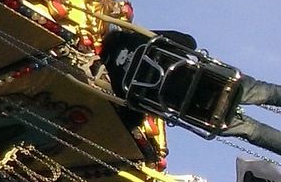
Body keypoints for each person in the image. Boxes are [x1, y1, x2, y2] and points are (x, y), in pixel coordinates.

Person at [101, 27, 281, 155]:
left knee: (254, 131)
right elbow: (188, 41)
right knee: (265, 91)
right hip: (212, 80)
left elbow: (134, 116)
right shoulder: (140, 37)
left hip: (199, 111)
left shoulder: (118, 81)